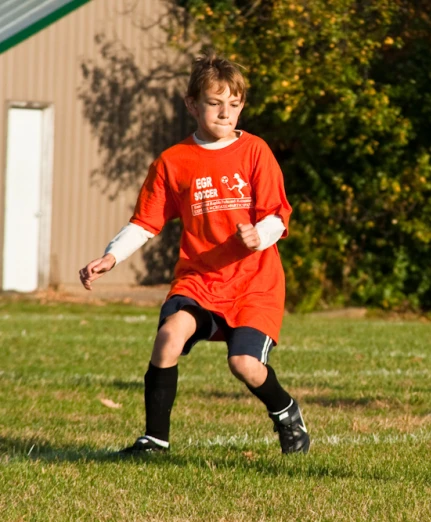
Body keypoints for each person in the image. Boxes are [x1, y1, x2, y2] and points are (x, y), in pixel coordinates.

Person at [78, 53, 309, 455]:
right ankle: (154, 440)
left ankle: (286, 410)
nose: (226, 112)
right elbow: (145, 222)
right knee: (168, 338)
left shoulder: (255, 151)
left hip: (253, 282)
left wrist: (260, 235)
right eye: (215, 102)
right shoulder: (173, 161)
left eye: (234, 104)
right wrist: (110, 256)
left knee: (245, 366)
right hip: (199, 280)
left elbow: (277, 214)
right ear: (192, 104)